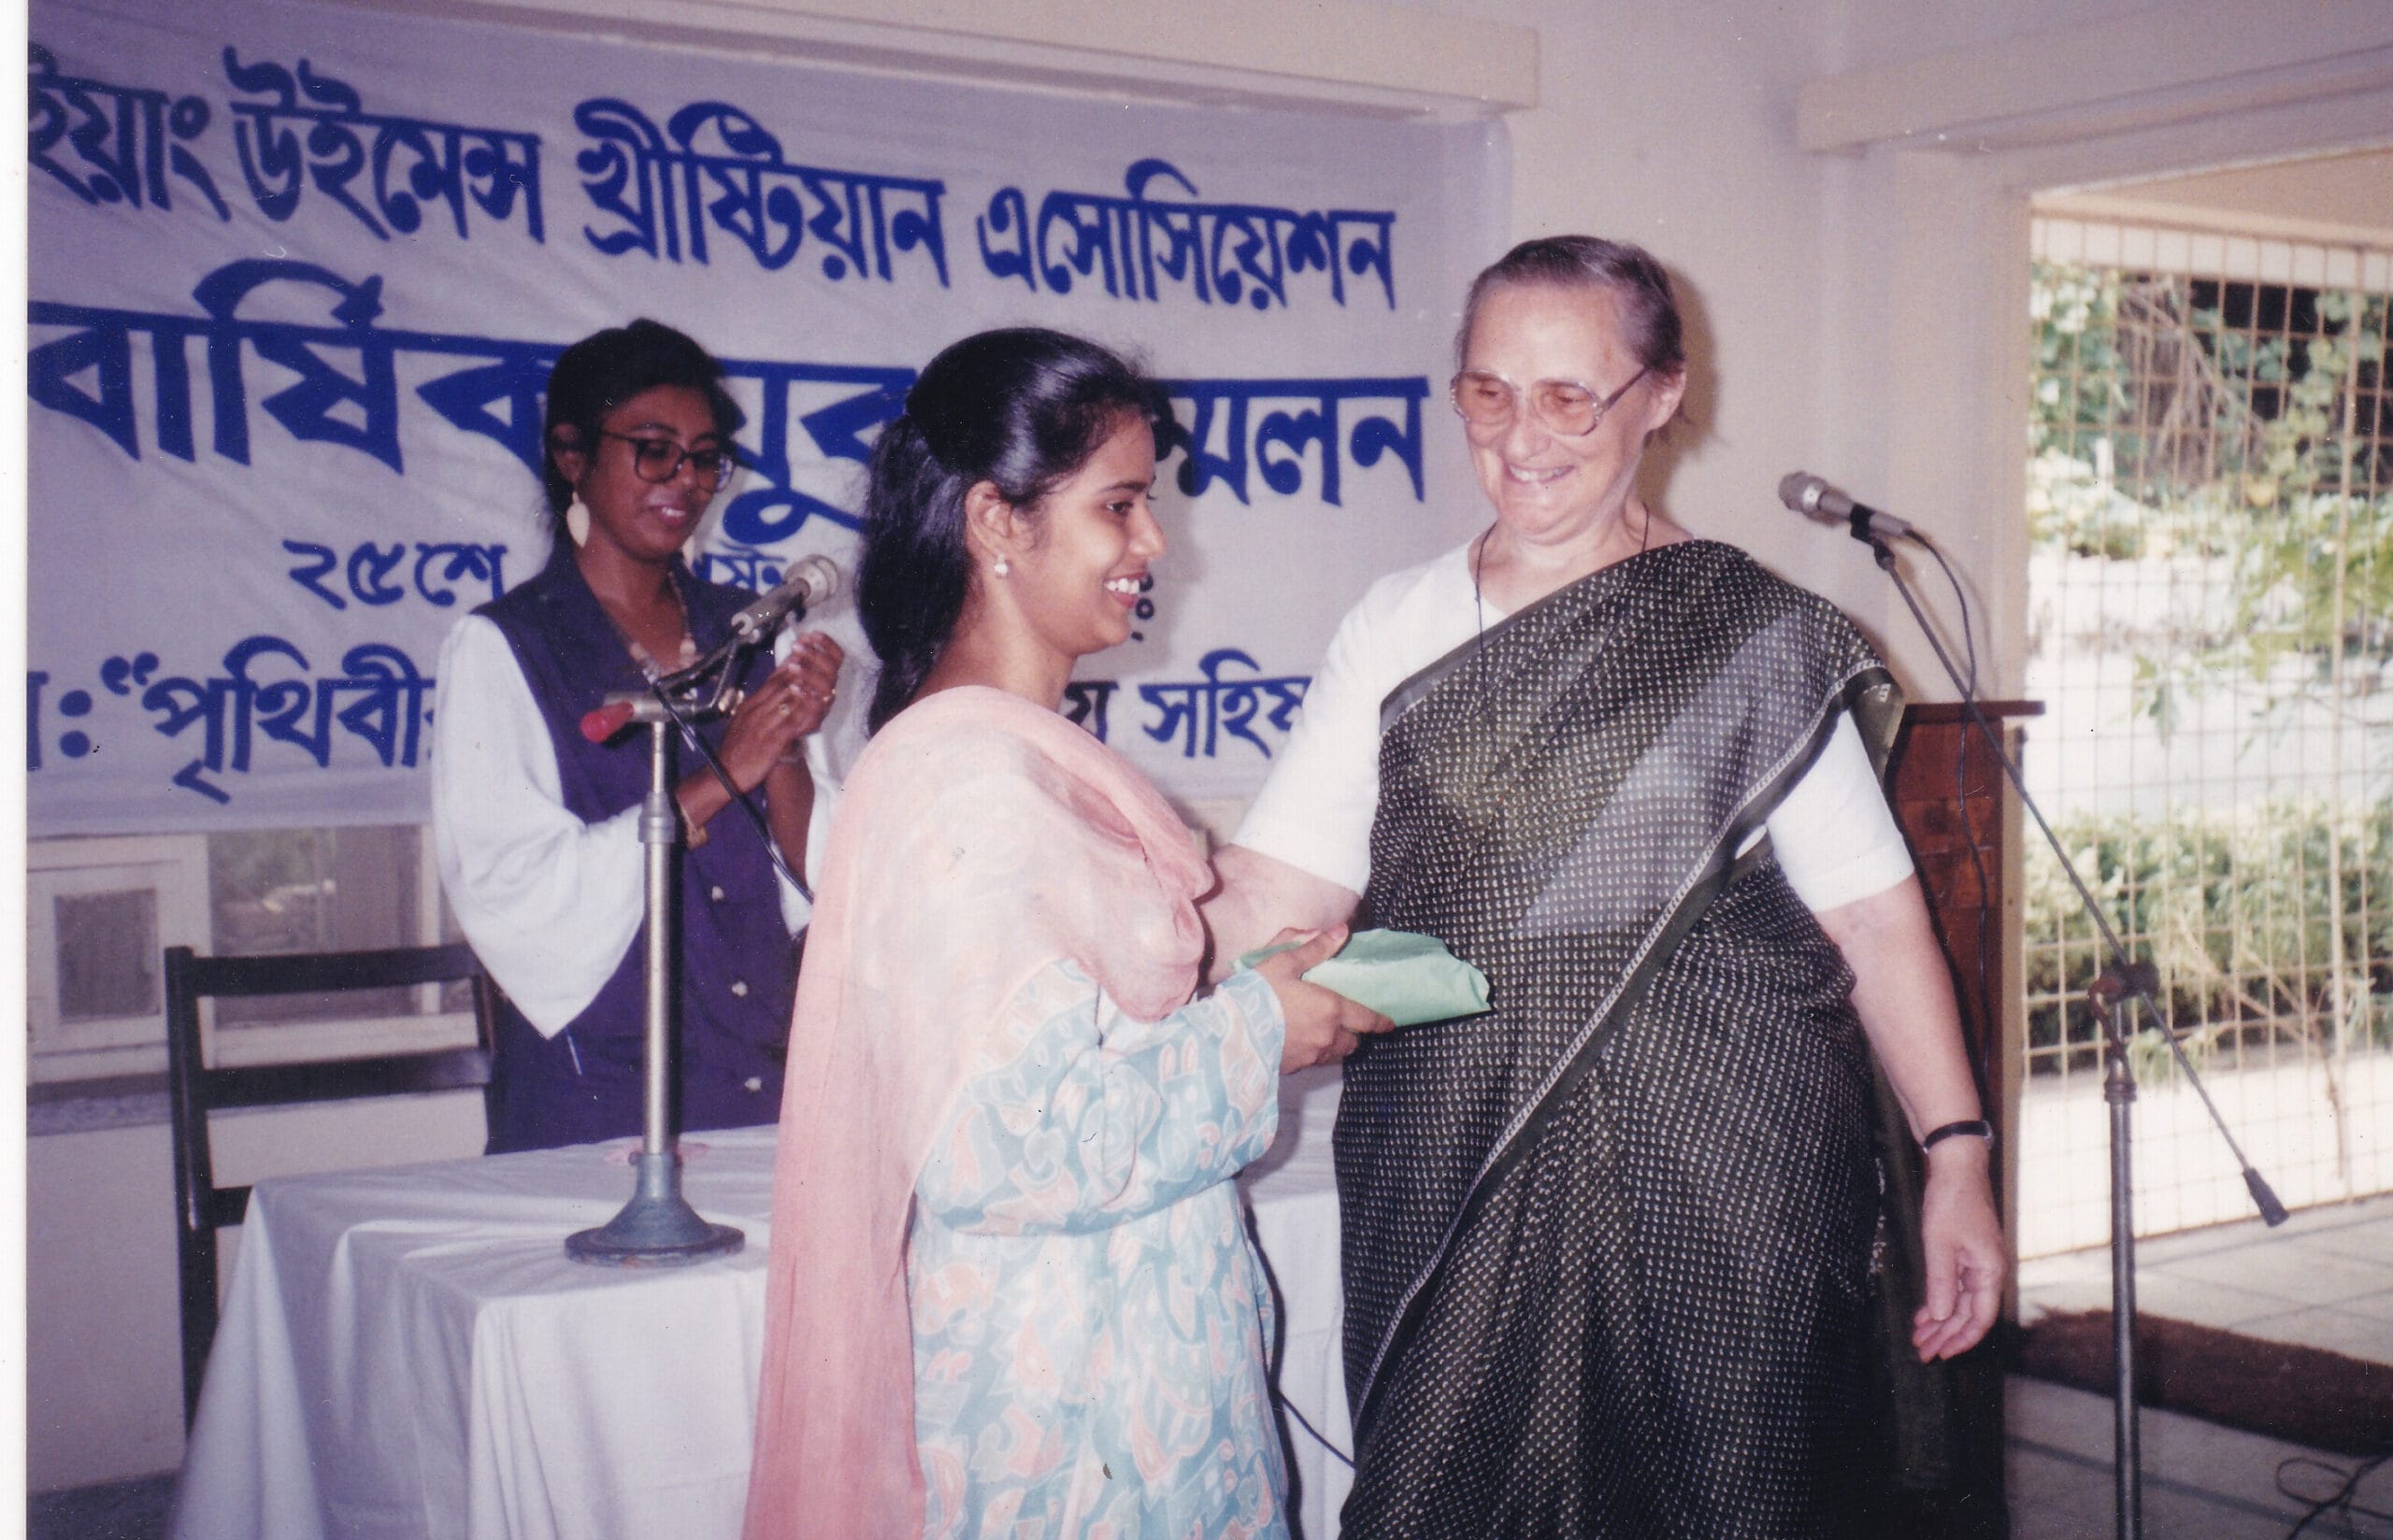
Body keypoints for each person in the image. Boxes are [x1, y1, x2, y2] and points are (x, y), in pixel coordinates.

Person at [1206, 236, 2007, 1536]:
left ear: (1660, 394)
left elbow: (1869, 913)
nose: (1522, 437)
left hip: (1724, 1167)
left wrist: (1956, 1156)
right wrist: (1110, 948)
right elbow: (1277, 889)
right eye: (1488, 392)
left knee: (1729, 1498)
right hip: (1456, 1165)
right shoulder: (1399, 622)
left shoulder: (1753, 635)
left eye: (1569, 397)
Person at [742, 328, 1391, 1540]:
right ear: (997, 521)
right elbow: (1003, 1149)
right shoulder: (967, 785)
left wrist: (1256, 991)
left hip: (1129, 1375)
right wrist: (1262, 1028)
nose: (1154, 546)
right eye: (1120, 506)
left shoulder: (1017, 760)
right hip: (1066, 1416)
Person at [431, 319, 844, 1154]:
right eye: (655, 451)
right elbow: (514, 893)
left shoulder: (750, 628)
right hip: (597, 1104)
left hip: (763, 1084)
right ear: (572, 456)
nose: (685, 481)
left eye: (704, 458)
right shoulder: (504, 646)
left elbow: (822, 875)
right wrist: (724, 772)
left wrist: (784, 743)